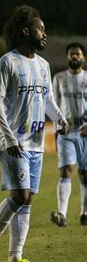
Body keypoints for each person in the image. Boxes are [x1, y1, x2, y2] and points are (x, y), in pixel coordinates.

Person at [0, 5, 68, 262]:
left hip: (36, 142)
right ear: (26, 31)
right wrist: (9, 136)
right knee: (20, 196)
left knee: (27, 201)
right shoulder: (7, 62)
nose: (45, 34)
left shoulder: (43, 65)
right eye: (41, 29)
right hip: (13, 142)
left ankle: (15, 258)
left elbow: (47, 98)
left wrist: (60, 118)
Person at [50, 42, 87, 227]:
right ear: (67, 57)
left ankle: (84, 213)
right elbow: (53, 105)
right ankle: (62, 214)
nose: (74, 57)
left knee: (84, 174)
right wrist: (56, 131)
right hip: (66, 131)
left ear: (83, 57)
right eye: (72, 54)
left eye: (77, 54)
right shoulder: (59, 78)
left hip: (85, 132)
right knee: (66, 171)